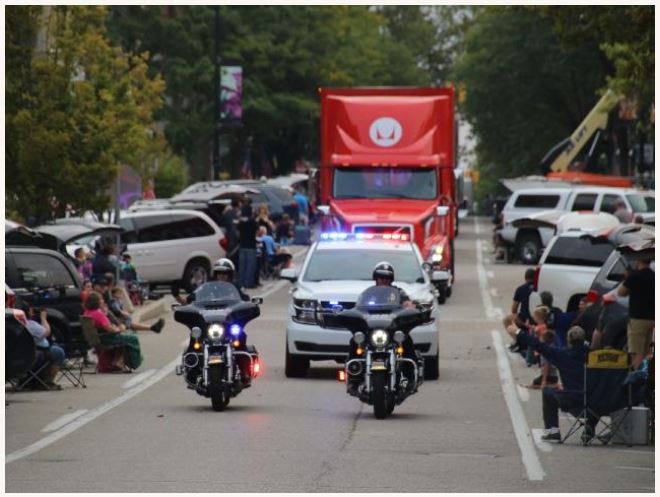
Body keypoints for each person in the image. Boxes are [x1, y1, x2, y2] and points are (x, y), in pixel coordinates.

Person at [513, 325, 594, 442]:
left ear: (569, 340)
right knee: (597, 394)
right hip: (597, 403)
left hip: (574, 401)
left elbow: (540, 346)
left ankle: (553, 431)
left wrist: (519, 332)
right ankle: (590, 426)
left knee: (547, 391)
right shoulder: (595, 356)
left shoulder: (563, 355)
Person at [346, 262, 417, 395]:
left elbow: (408, 304)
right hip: (373, 330)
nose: (383, 280)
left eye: (386, 278)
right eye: (380, 277)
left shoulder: (398, 292)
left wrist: (411, 307)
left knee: (407, 341)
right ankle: (354, 377)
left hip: (391, 330)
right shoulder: (368, 294)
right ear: (375, 279)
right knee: (355, 340)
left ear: (391, 279)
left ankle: (409, 377)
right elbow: (358, 307)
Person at [83, 291, 143, 372]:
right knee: (132, 338)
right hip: (105, 339)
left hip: (96, 339)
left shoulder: (87, 312)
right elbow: (111, 330)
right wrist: (121, 328)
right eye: (101, 299)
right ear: (96, 302)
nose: (103, 301)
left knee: (124, 337)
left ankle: (117, 361)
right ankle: (123, 363)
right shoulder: (98, 313)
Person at [618, 258, 655, 369]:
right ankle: (647, 378)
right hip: (652, 319)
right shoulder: (654, 276)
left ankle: (637, 380)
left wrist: (627, 278)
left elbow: (621, 292)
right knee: (648, 352)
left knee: (636, 352)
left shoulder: (634, 276)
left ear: (638, 260)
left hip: (637, 320)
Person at [21, 302, 66, 390]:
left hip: (23, 354)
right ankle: (48, 381)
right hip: (37, 353)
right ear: (27, 312)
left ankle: (35, 380)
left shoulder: (16, 324)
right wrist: (43, 318)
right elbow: (47, 331)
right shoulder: (30, 324)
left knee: (55, 348)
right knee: (59, 352)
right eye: (30, 310)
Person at [237, 203, 258, 289]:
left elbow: (237, 233)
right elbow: (257, 231)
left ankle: (241, 282)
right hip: (251, 245)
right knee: (250, 266)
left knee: (242, 266)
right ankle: (248, 282)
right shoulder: (253, 222)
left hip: (242, 245)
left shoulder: (240, 222)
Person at [222, 197, 242, 270]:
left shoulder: (226, 213)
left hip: (227, 238)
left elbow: (222, 223)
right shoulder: (238, 214)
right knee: (236, 260)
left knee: (229, 258)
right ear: (239, 204)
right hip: (236, 240)